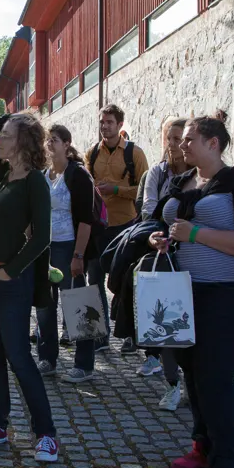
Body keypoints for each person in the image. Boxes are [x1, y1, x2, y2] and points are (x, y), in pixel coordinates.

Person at [149, 116, 234, 468]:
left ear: (214, 144)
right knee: (192, 371)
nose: (182, 144)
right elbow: (167, 225)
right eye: (182, 139)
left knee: (214, 374)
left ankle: (229, 458)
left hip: (232, 291)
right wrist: (158, 238)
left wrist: (195, 235)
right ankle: (202, 446)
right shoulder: (182, 181)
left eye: (190, 139)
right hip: (185, 290)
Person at [0, 111, 59, 463]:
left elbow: (42, 239)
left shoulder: (35, 182)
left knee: (19, 356)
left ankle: (46, 434)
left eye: (5, 135)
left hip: (10, 282)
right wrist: (7, 117)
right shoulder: (4, 174)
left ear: (23, 142)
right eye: (1, 134)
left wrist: (12, 270)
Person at [35, 124, 97, 382]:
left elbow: (86, 220)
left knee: (78, 305)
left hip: (69, 246)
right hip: (44, 248)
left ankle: (84, 364)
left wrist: (78, 255)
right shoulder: (42, 175)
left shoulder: (78, 175)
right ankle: (47, 358)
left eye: (55, 140)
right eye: (47, 140)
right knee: (44, 306)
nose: (50, 144)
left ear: (67, 144)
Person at [86, 104, 149, 354]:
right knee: (94, 279)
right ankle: (99, 334)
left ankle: (130, 334)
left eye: (110, 122)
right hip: (98, 226)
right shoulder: (91, 153)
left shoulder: (135, 153)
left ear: (120, 125)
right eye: (102, 122)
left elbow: (144, 190)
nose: (105, 126)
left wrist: (116, 190)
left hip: (126, 225)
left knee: (125, 281)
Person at [139, 117, 190, 410]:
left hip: (196, 257)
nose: (175, 145)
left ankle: (197, 384)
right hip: (167, 254)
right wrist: (158, 233)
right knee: (168, 321)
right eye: (170, 138)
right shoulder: (158, 173)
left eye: (180, 139)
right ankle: (172, 383)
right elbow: (148, 211)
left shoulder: (201, 175)